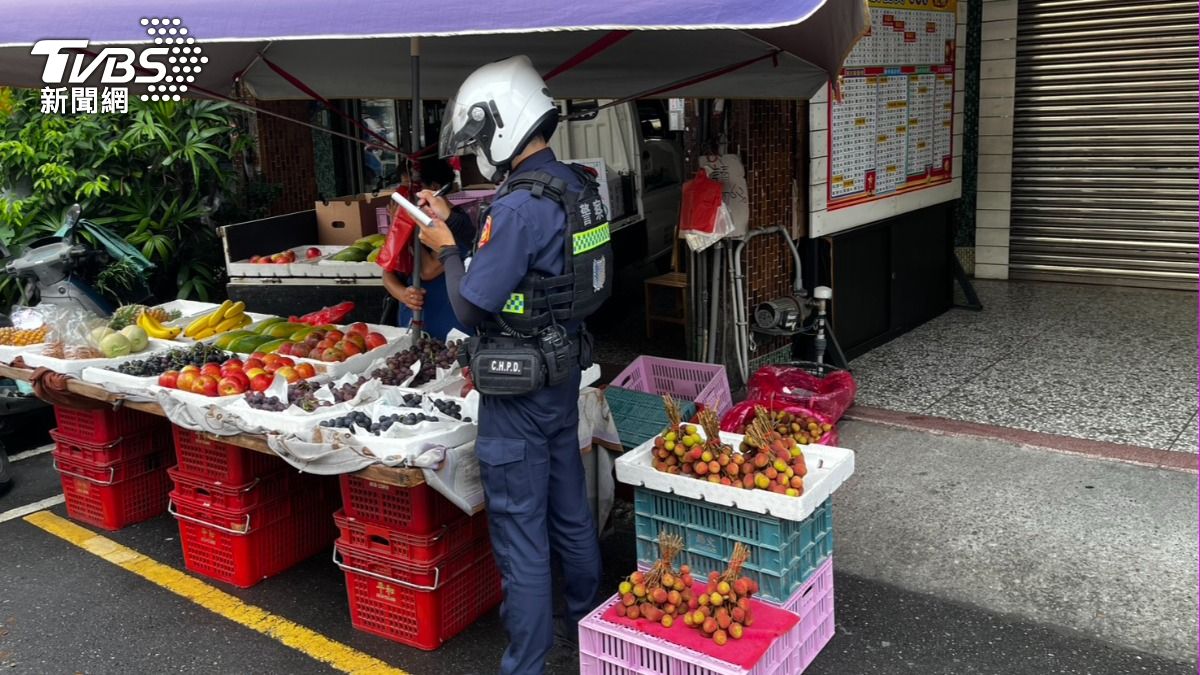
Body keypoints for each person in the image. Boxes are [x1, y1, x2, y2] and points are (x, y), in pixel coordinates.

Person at [417, 55, 613, 675]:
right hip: (560, 379)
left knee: (522, 538)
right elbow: (537, 260)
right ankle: (589, 633)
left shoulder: (519, 204)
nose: (479, 151)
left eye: (479, 137)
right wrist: (466, 223)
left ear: (504, 125)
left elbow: (471, 307)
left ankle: (525, 665)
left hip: (519, 397)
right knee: (571, 516)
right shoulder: (574, 185)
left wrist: (449, 252)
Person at [381, 157, 475, 340]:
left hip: (450, 328)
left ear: (434, 188)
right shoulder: (410, 225)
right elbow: (388, 272)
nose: (406, 196)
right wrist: (403, 294)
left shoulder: (456, 223)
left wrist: (409, 229)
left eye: (413, 188)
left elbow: (428, 270)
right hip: (413, 325)